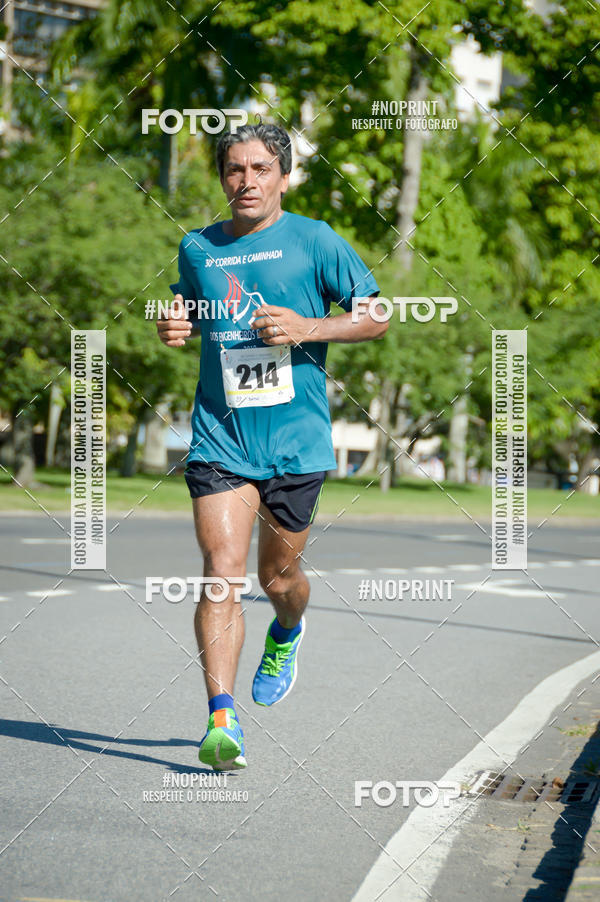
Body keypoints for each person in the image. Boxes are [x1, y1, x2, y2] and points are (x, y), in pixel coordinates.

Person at [157, 122, 387, 771]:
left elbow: (377, 313)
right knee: (221, 570)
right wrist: (171, 322)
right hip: (220, 437)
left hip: (295, 441)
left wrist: (309, 327)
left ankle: (287, 630)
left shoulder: (315, 240)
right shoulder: (198, 247)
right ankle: (221, 720)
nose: (247, 180)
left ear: (283, 177)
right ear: (223, 177)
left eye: (261, 168)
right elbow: (188, 309)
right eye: (235, 168)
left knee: (277, 577)